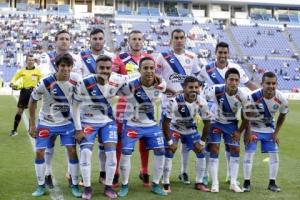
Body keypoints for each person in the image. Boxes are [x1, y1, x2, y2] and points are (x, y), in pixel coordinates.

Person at [72, 55, 138, 199]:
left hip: (107, 121)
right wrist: (78, 129)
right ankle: (87, 188)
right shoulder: (84, 82)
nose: (105, 71)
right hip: (87, 121)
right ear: (96, 68)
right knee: (86, 153)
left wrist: (158, 81)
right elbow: (75, 106)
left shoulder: (117, 79)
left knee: (112, 155)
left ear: (111, 69)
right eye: (101, 68)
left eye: (108, 68)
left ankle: (108, 187)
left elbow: (136, 77)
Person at [198, 41, 257, 185]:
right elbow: (198, 87)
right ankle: (205, 175)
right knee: (211, 146)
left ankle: (231, 176)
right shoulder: (206, 69)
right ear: (215, 53)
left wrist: (262, 96)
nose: (223, 55)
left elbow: (249, 84)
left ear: (228, 54)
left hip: (231, 112)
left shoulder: (235, 68)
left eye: (225, 53)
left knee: (232, 146)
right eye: (220, 53)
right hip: (213, 112)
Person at [28, 53, 81, 197]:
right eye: (62, 66)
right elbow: (32, 101)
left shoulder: (76, 80)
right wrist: (32, 125)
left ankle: (75, 184)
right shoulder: (45, 82)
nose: (65, 69)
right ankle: (41, 185)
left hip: (66, 123)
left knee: (72, 150)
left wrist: (80, 126)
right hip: (46, 122)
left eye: (68, 66)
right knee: (40, 152)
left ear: (72, 67)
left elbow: (81, 101)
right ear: (57, 67)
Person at [156, 28, 201, 185]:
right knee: (167, 141)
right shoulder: (162, 57)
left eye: (182, 37)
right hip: (167, 103)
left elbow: (197, 79)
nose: (179, 40)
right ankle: (163, 175)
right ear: (171, 39)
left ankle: (183, 172)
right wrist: (168, 90)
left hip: (187, 105)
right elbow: (155, 78)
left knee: (186, 139)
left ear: (185, 39)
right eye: (176, 37)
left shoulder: (192, 57)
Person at [118, 57, 167, 197]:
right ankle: (124, 184)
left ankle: (156, 184)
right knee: (126, 153)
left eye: (151, 68)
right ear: (139, 70)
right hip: (132, 125)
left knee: (160, 151)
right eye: (145, 68)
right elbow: (112, 90)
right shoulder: (129, 86)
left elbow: (165, 86)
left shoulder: (160, 85)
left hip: (152, 126)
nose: (149, 71)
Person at [112, 30, 152, 187]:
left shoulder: (149, 59)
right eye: (133, 39)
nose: (136, 42)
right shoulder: (120, 59)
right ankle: (115, 172)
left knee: (145, 139)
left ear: (143, 41)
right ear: (128, 41)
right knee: (120, 139)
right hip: (124, 105)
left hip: (144, 105)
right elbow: (113, 79)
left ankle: (144, 170)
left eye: (139, 39)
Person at [76, 28, 114, 185]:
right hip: (86, 110)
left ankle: (103, 174)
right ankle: (77, 176)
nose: (98, 41)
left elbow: (117, 79)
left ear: (104, 40)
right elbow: (77, 79)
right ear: (89, 39)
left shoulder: (111, 57)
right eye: (95, 38)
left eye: (100, 38)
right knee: (83, 145)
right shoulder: (80, 57)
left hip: (106, 110)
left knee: (105, 146)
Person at [203, 68, 249, 193]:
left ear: (239, 82)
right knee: (214, 149)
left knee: (235, 149)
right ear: (225, 80)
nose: (233, 82)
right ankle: (215, 183)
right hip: (215, 123)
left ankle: (233, 183)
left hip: (231, 125)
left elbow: (247, 115)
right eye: (231, 80)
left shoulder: (243, 95)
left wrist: (239, 131)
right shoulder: (215, 89)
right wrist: (204, 115)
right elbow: (201, 99)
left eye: (236, 80)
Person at [162, 76, 211, 193]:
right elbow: (165, 123)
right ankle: (165, 183)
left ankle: (199, 183)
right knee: (169, 151)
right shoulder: (174, 101)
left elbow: (207, 123)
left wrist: (202, 142)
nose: (193, 90)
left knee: (202, 152)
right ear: (184, 88)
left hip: (190, 129)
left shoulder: (202, 102)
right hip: (174, 128)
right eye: (190, 87)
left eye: (196, 87)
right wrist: (170, 142)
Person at [243, 72, 288, 192]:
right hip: (253, 128)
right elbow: (246, 115)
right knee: (249, 154)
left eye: (273, 83)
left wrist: (276, 133)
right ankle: (246, 182)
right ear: (262, 84)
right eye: (268, 83)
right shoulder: (252, 96)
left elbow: (282, 116)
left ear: (276, 84)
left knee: (274, 155)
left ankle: (272, 183)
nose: (271, 86)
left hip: (269, 130)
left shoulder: (281, 98)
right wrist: (248, 132)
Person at [10, 53, 42, 136]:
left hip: (34, 93)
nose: (30, 61)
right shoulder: (22, 71)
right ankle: (14, 130)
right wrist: (12, 84)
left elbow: (42, 81)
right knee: (19, 112)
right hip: (24, 92)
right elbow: (14, 78)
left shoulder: (38, 71)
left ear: (34, 61)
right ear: (26, 61)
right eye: (29, 60)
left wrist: (40, 92)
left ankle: (30, 130)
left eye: (32, 60)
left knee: (32, 113)